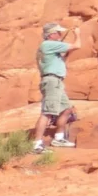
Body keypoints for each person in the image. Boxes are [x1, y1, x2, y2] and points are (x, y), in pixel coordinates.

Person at [31, 22, 80, 153]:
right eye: (58, 32)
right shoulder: (48, 45)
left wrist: (69, 51)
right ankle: (36, 144)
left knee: (67, 109)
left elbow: (63, 60)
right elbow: (77, 45)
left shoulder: (50, 47)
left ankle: (58, 138)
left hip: (56, 81)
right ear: (51, 34)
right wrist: (77, 35)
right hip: (52, 81)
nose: (60, 34)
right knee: (47, 112)